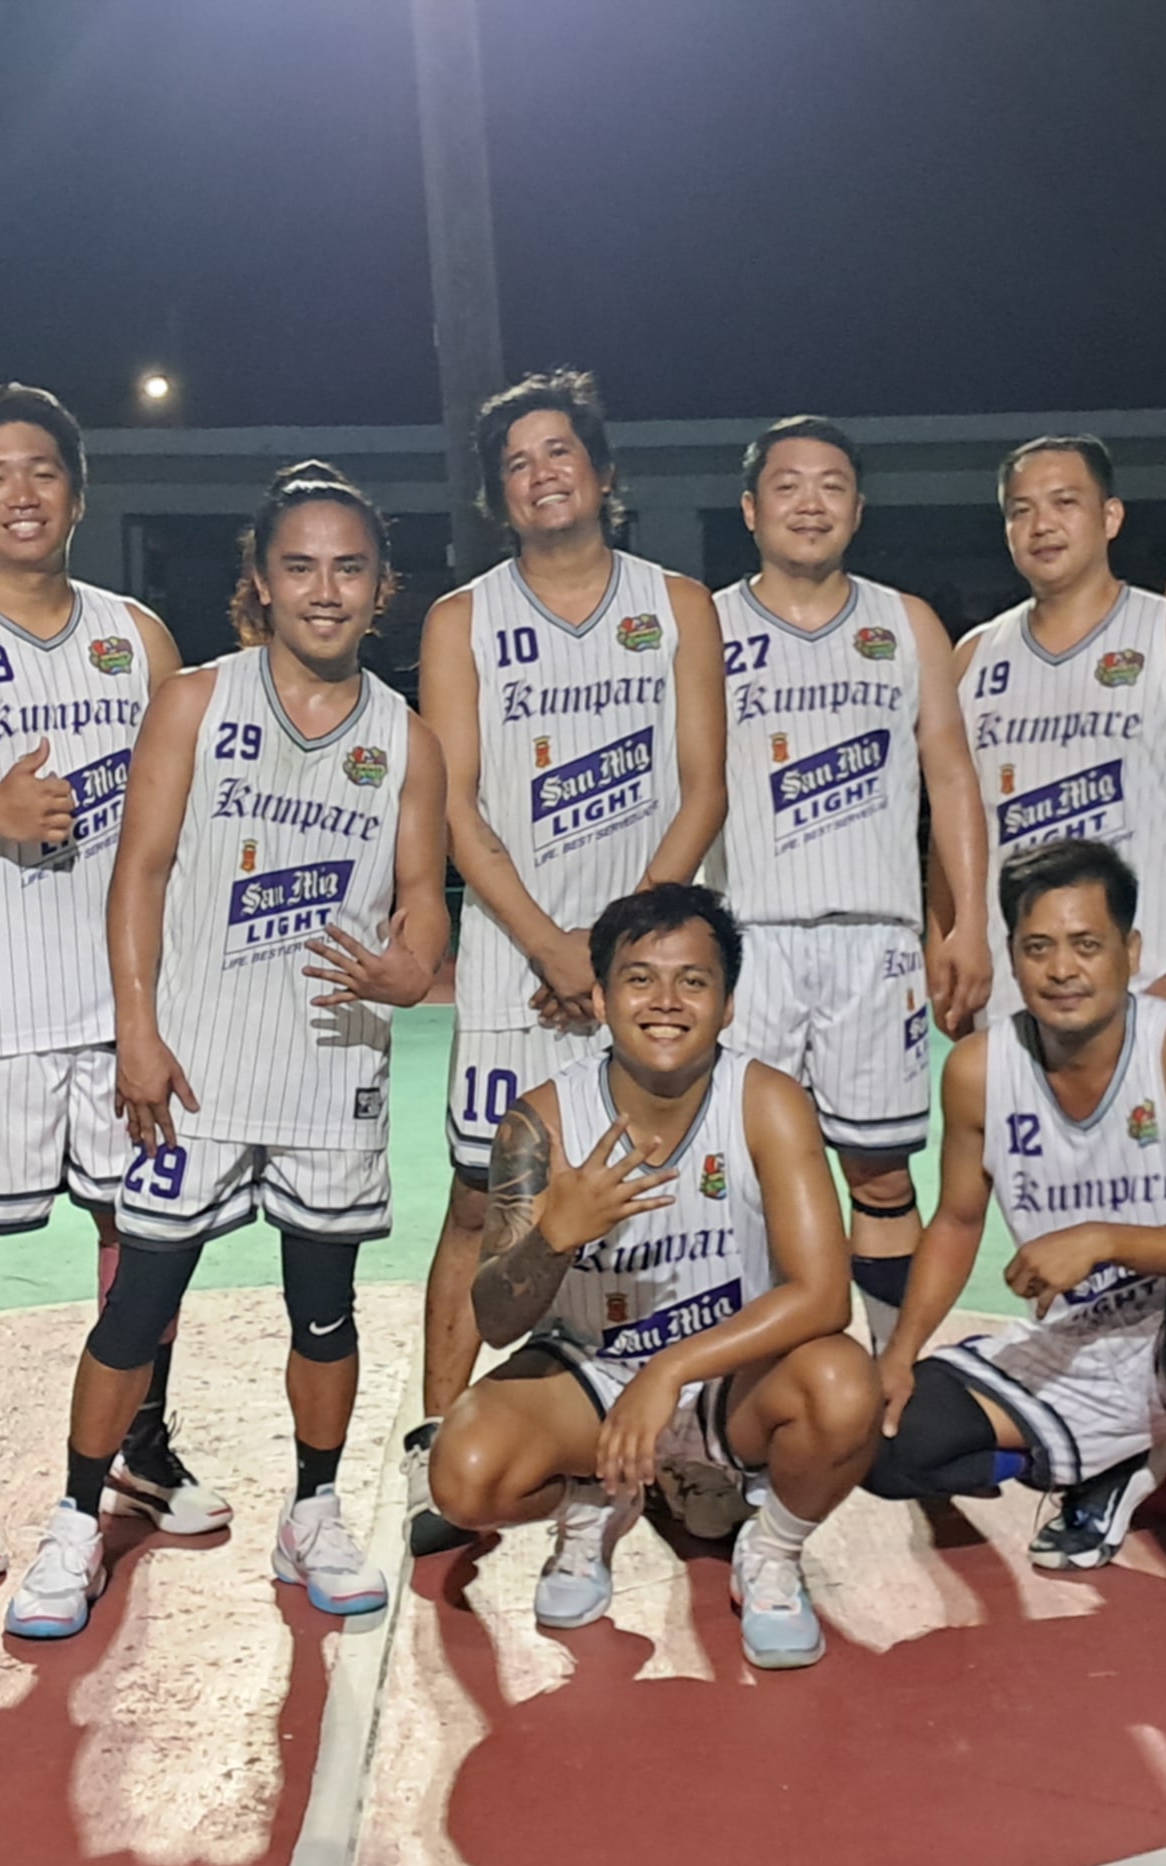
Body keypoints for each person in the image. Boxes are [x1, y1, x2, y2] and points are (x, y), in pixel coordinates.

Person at [5, 461, 450, 1641]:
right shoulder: (197, 701)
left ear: (382, 588)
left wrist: (414, 962)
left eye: (349, 567)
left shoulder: (405, 736)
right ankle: (73, 1516)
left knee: (325, 1311)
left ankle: (312, 1510)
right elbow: (137, 873)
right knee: (135, 1307)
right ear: (260, 581)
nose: (325, 589)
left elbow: (424, 903)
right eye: (299, 566)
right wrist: (137, 1028)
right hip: (193, 1070)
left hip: (328, 1067)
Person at [0, 383, 220, 1578]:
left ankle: (139, 1438)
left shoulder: (140, 638)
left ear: (77, 493)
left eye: (42, 471)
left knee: (143, 1228)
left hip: (122, 1000)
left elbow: (189, 823)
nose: (21, 494)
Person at [406, 368, 728, 1556]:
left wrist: (622, 947)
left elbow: (705, 786)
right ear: (503, 497)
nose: (543, 476)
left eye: (560, 454)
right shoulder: (462, 620)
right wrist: (548, 942)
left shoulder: (676, 603)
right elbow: (455, 802)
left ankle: (694, 1442)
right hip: (513, 961)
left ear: (603, 474)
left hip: (649, 963)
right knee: (480, 1206)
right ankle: (439, 1444)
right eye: (518, 465)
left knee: (679, 1196)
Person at [867, 840, 1166, 1682]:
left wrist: (1105, 1238)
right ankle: (1106, 1460)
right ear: (1015, 956)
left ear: (1130, 954)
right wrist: (899, 1352)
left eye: (1086, 945)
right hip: (1074, 1351)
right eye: (1038, 948)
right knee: (881, 1443)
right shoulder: (980, 1070)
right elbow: (957, 1221)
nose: (1062, 969)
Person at [424, 883, 883, 1671]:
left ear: (728, 1003)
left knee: (846, 1387)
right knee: (463, 1473)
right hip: (593, 1376)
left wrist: (669, 1371)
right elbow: (498, 1319)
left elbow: (822, 1295)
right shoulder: (543, 1123)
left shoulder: (767, 1102)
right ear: (599, 998)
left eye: (693, 981)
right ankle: (593, 1504)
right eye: (640, 979)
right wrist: (555, 1237)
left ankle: (771, 1551)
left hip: (727, 1379)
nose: (666, 1001)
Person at [707, 416, 990, 1349]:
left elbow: (951, 778)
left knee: (878, 1171)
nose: (810, 502)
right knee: (743, 1170)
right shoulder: (704, 627)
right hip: (746, 939)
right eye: (788, 484)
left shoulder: (905, 623)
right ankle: (752, 1370)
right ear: (751, 509)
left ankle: (892, 1370)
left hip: (877, 940)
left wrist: (969, 924)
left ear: (858, 508)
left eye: (831, 484)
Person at [956, 436, 1166, 1030]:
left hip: (1152, 969)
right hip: (1016, 982)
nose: (1042, 525)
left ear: (1110, 517)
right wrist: (954, 939)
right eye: (1022, 510)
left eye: (1065, 503)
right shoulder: (973, 658)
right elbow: (958, 831)